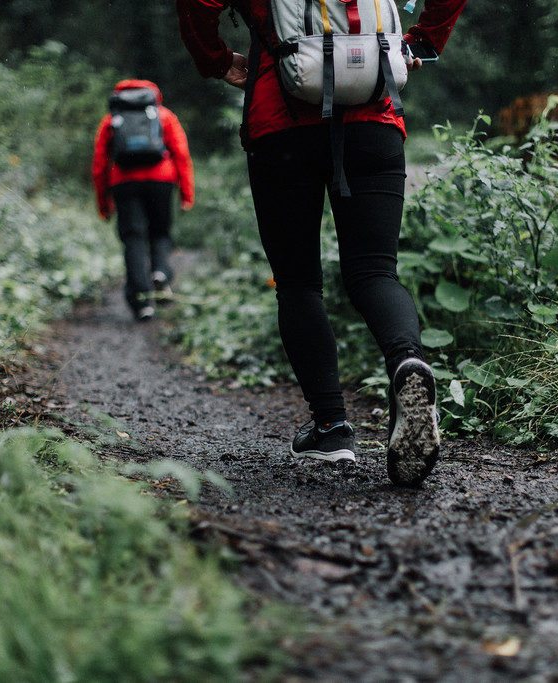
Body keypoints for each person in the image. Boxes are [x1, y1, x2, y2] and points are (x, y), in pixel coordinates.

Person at [177, 0, 466, 487]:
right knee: (375, 271)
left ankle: (331, 430)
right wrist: (423, 41)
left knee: (297, 282)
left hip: (280, 124)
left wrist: (217, 59)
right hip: (374, 120)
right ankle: (407, 363)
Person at [92, 79, 195, 322]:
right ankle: (160, 272)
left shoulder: (111, 120)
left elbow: (99, 165)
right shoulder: (164, 115)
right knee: (160, 232)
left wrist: (103, 203)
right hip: (161, 180)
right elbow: (181, 154)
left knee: (133, 238)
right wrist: (186, 194)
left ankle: (141, 302)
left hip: (124, 183)